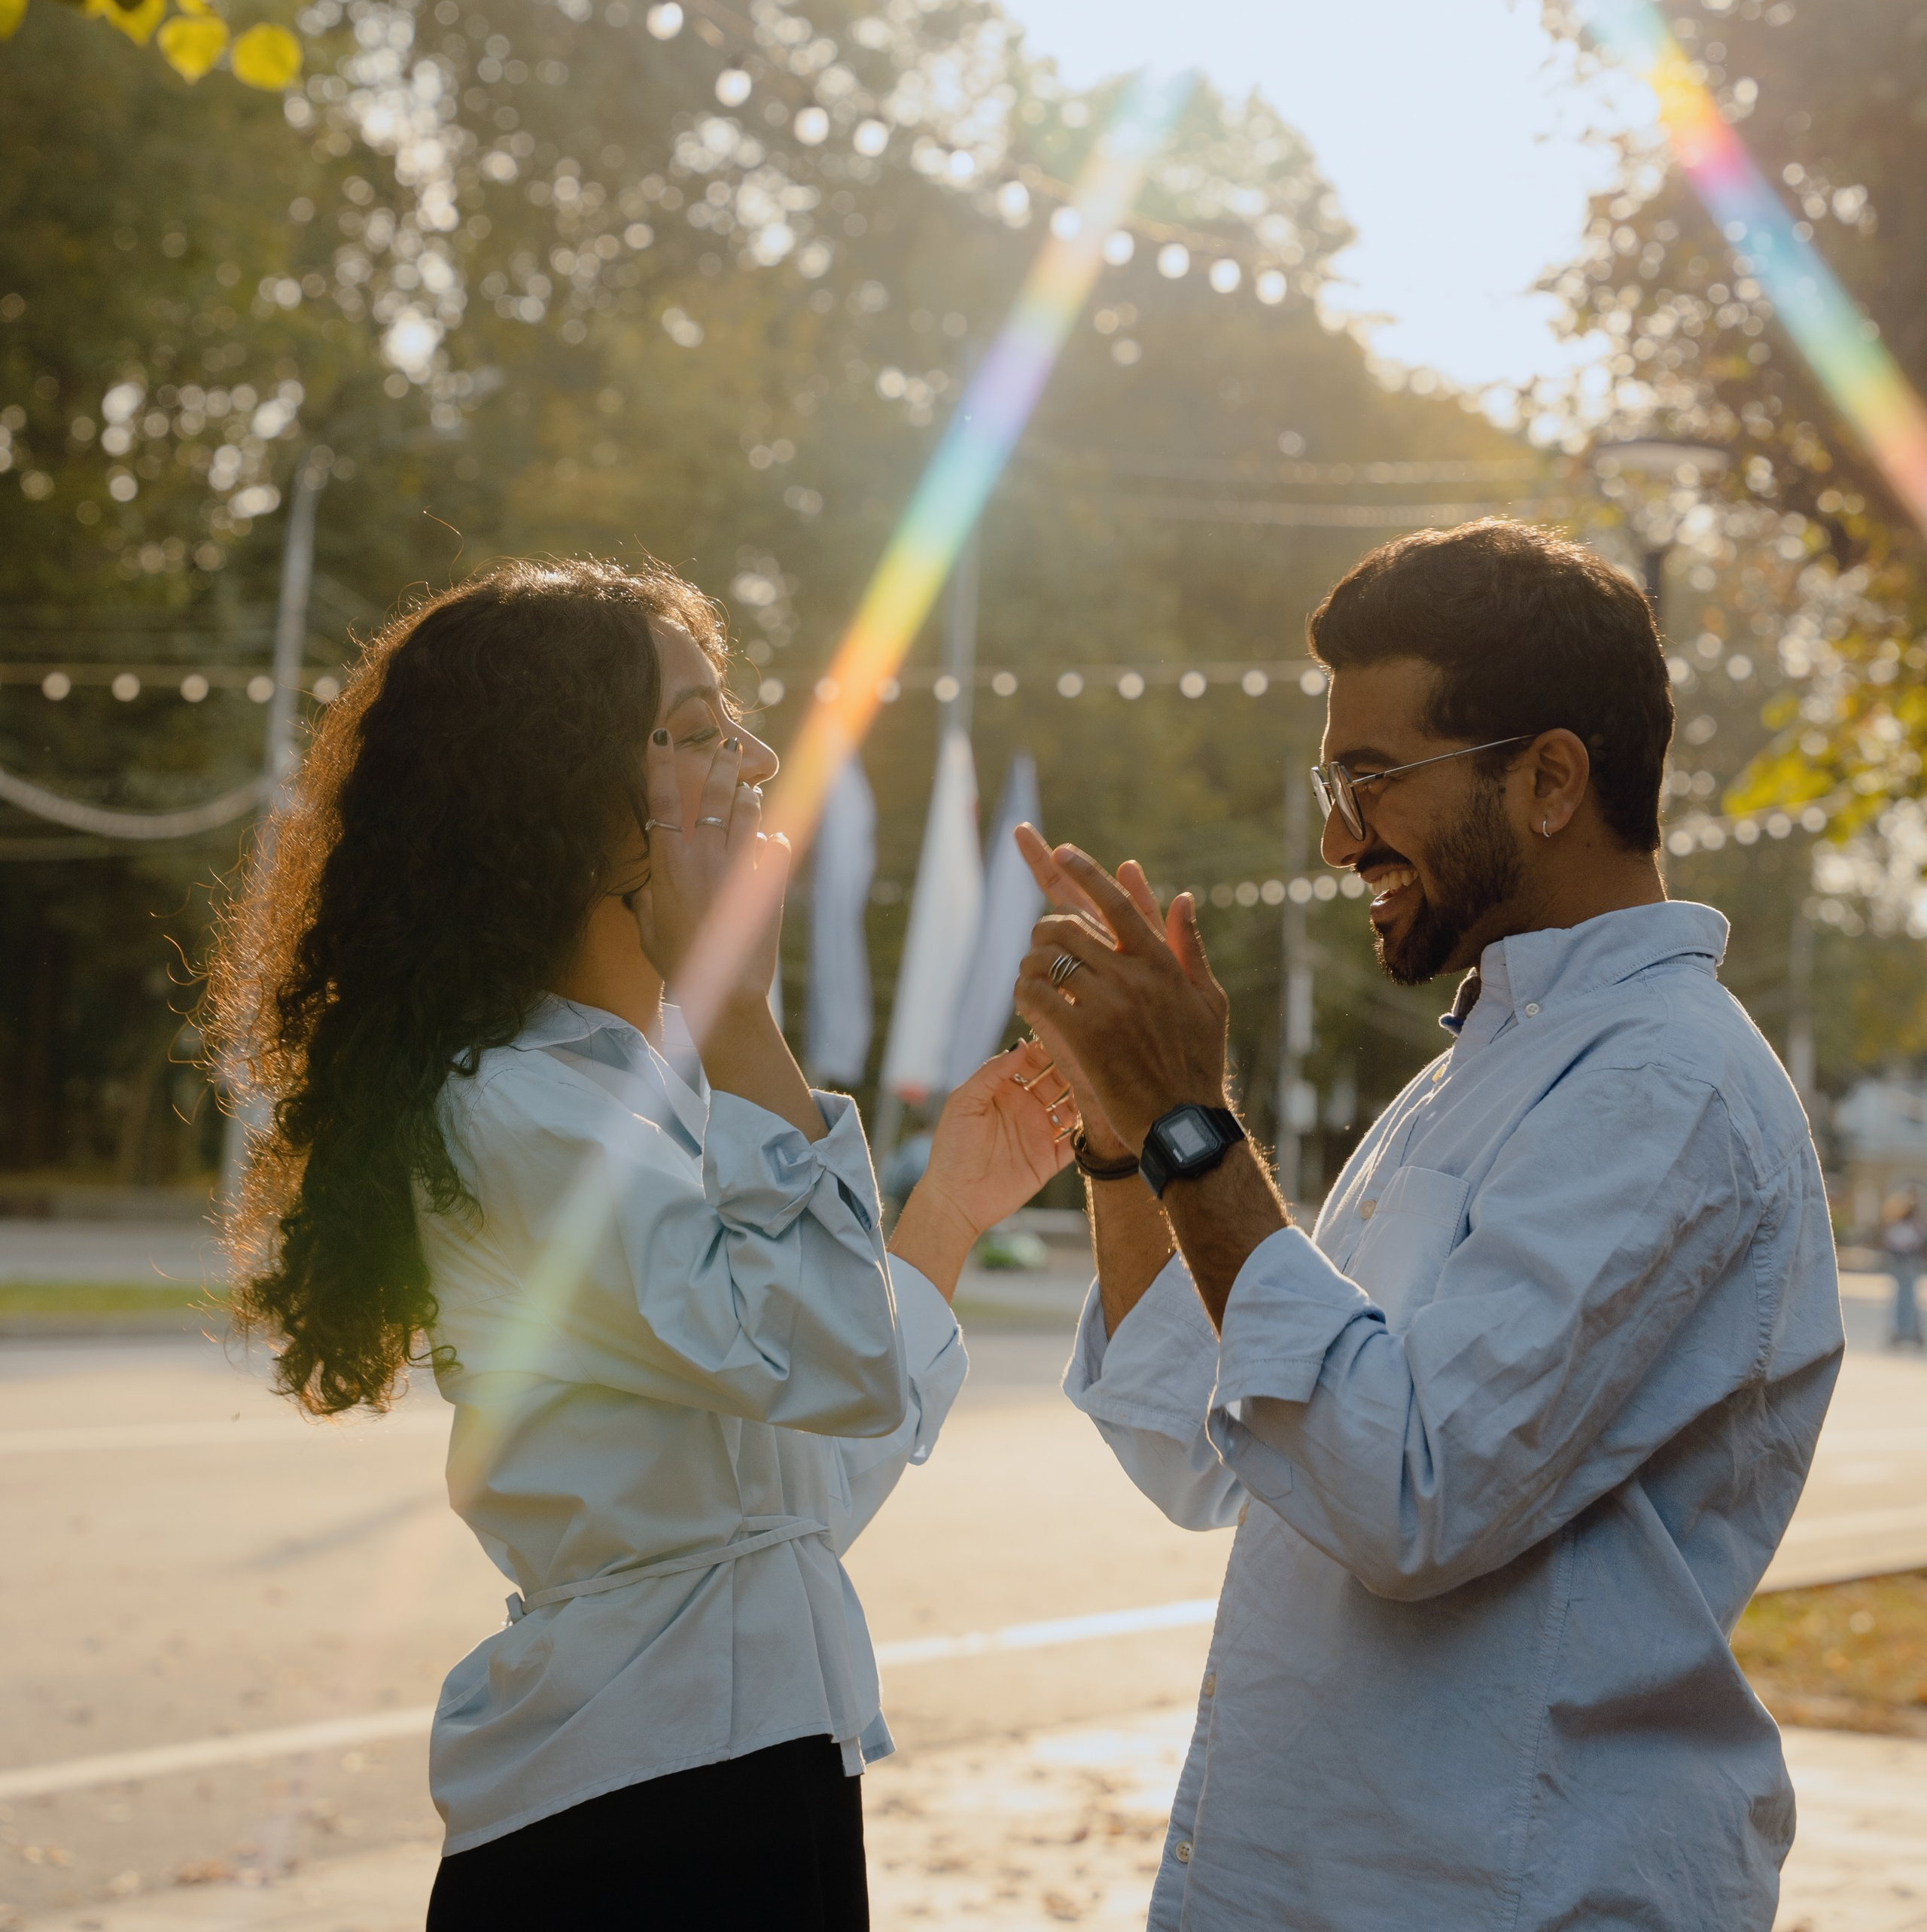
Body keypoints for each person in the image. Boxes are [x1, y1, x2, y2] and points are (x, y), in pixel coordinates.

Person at [211, 556, 1072, 1930]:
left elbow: (798, 1497)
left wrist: (947, 1215)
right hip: (635, 1811)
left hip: (753, 1768)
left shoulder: (647, 1092)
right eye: (694, 730)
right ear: (557, 791)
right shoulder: (513, 1107)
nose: (755, 760)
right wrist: (737, 1013)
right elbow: (830, 1366)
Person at [1013, 520, 1843, 1932]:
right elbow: (1208, 1439)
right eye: (1331, 782)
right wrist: (1121, 1137)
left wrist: (1192, 1125)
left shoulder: (1665, 1084)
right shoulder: (1483, 1072)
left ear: (1550, 780)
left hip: (1507, 1893)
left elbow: (1407, 1492)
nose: (1338, 838)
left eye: (1373, 778)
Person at [1881, 1185, 1925, 1348]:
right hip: (1902, 1260)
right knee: (1903, 1296)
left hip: (1907, 1260)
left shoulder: (1913, 1224)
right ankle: (1903, 1331)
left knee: (1908, 1296)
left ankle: (1909, 1331)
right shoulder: (1900, 1223)